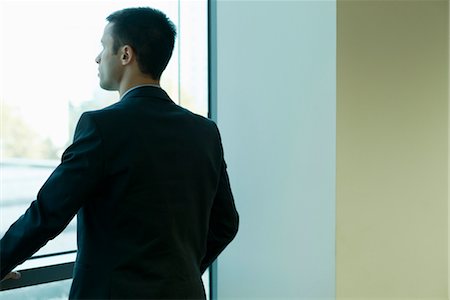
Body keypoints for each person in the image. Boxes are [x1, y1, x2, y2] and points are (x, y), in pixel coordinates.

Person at [0, 7, 239, 299]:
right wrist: (181, 273)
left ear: (126, 55)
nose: (98, 57)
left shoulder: (101, 126)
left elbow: (48, 213)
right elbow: (226, 223)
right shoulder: (204, 131)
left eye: (104, 46)